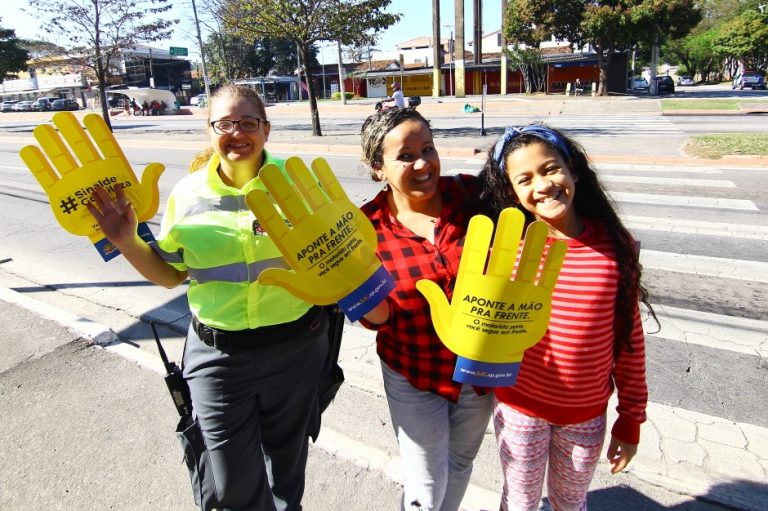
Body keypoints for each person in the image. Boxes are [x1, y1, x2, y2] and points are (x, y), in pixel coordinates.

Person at [87, 83, 329, 511]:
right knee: (232, 484)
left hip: (295, 349)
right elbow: (169, 275)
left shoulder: (300, 184)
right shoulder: (188, 193)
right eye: (224, 123)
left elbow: (334, 258)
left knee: (287, 469)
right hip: (218, 359)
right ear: (209, 130)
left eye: (247, 123)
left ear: (266, 130)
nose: (236, 133)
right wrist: (126, 241)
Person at [477, 124, 656, 511]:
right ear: (512, 192)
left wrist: (630, 419)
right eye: (524, 179)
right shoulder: (510, 252)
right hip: (520, 407)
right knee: (520, 502)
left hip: (585, 416)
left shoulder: (615, 245)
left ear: (573, 170)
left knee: (571, 502)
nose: (542, 185)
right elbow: (487, 329)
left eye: (550, 169)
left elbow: (629, 340)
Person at [358, 107, 494, 511]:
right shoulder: (366, 229)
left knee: (460, 462)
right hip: (414, 373)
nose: (422, 164)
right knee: (427, 484)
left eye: (428, 148)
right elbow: (377, 319)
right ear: (377, 167)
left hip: (479, 368)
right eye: (405, 156)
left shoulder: (471, 196)